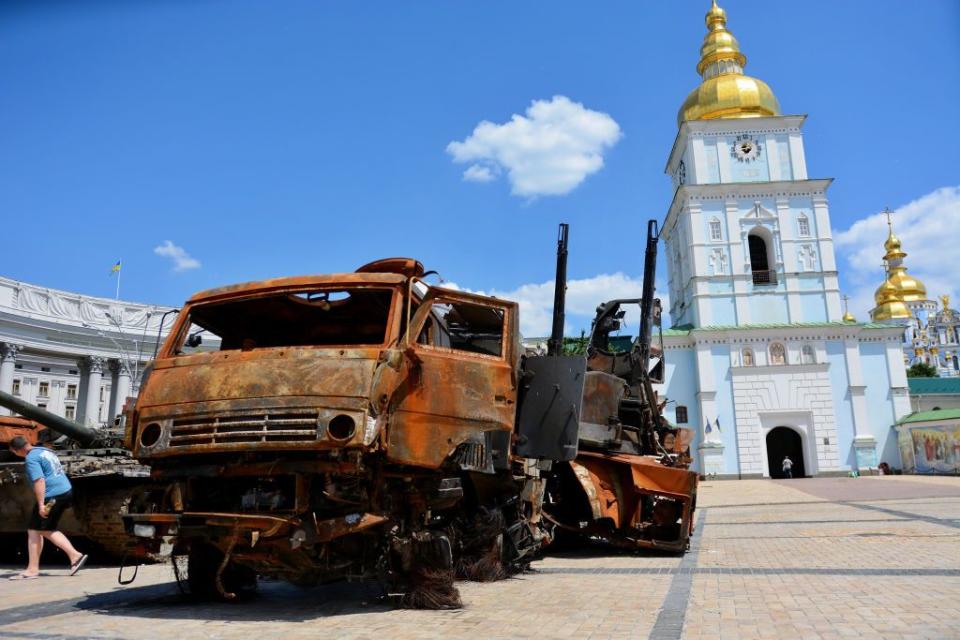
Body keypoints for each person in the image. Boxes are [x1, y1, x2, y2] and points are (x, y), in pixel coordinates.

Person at [7, 435, 88, 580]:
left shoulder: (31, 458)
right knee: (34, 529)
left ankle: (75, 556)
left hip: (52, 495)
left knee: (44, 529)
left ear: (17, 450)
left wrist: (40, 504)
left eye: (13, 452)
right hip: (64, 490)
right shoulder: (44, 450)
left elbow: (39, 481)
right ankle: (33, 568)